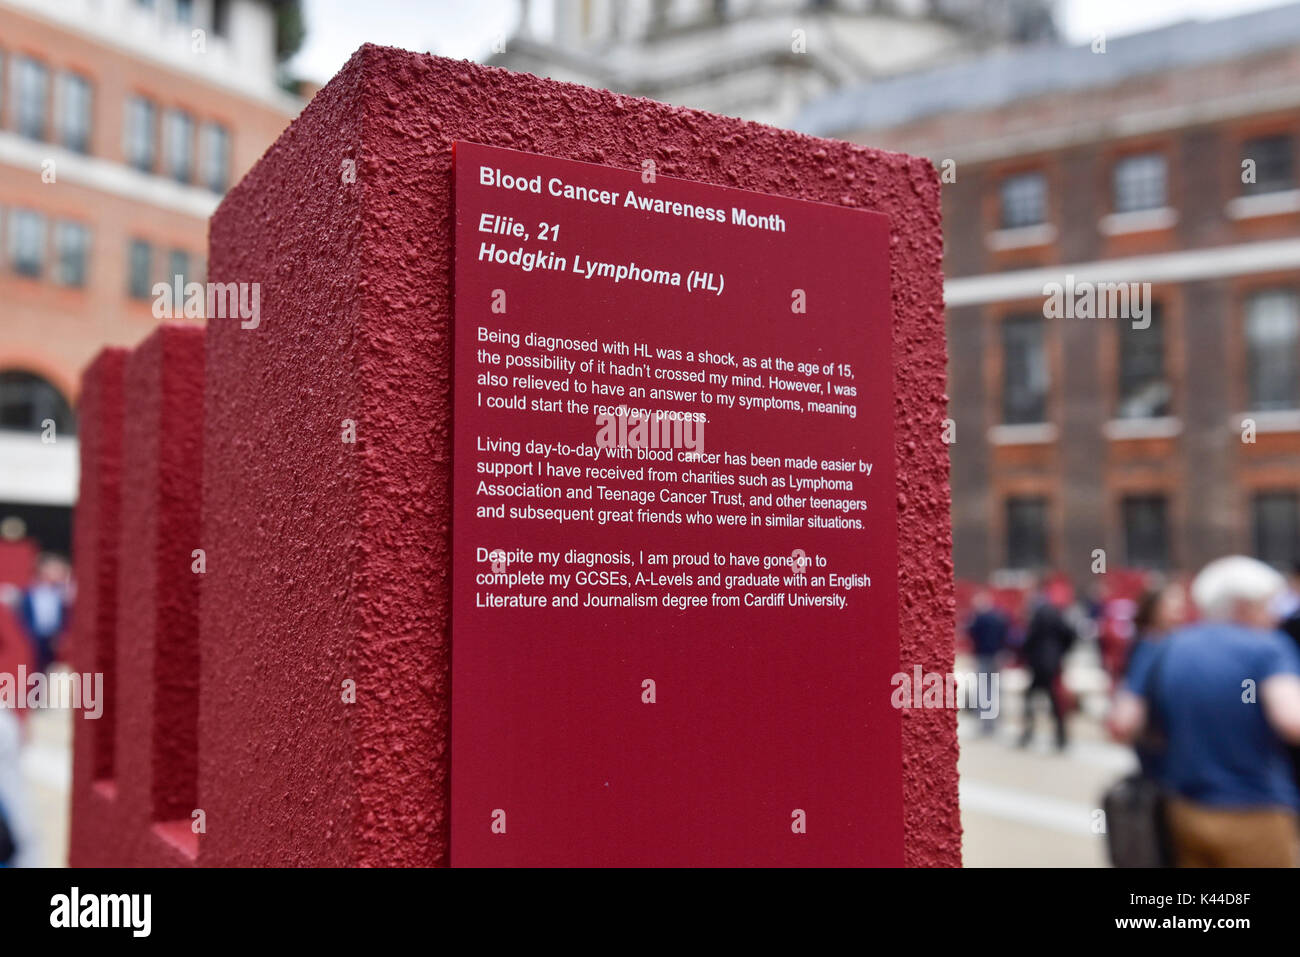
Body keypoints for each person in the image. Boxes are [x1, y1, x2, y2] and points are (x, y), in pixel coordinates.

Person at [1112, 556, 1300, 867]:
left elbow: (1123, 724)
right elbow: (1292, 721)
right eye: (1267, 605)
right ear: (1243, 606)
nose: (1273, 617)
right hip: (1256, 810)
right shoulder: (1268, 650)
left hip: (1184, 810)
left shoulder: (1168, 647)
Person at [1117, 583, 1187, 781]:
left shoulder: (1175, 641)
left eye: (1181, 601)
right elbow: (1132, 694)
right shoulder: (1150, 645)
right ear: (1154, 608)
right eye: (1172, 601)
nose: (1179, 607)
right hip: (1158, 740)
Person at [1018, 579, 1078, 750]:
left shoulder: (1038, 614)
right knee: (1054, 701)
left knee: (1031, 699)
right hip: (1053, 663)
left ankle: (1027, 734)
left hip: (1038, 664)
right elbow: (1070, 634)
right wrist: (1062, 652)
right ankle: (1060, 738)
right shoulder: (1057, 613)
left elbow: (1030, 638)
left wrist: (1026, 654)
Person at [16, 554, 71, 674]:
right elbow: (24, 617)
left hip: (55, 638)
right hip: (37, 638)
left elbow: (66, 617)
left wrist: (60, 635)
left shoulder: (62, 594)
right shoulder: (30, 593)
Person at [966, 590, 1008, 731]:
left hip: (983, 656)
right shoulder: (998, 618)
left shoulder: (978, 619)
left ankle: (984, 724)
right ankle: (995, 722)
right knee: (995, 690)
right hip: (996, 656)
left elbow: (971, 634)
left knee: (983, 690)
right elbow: (1005, 635)